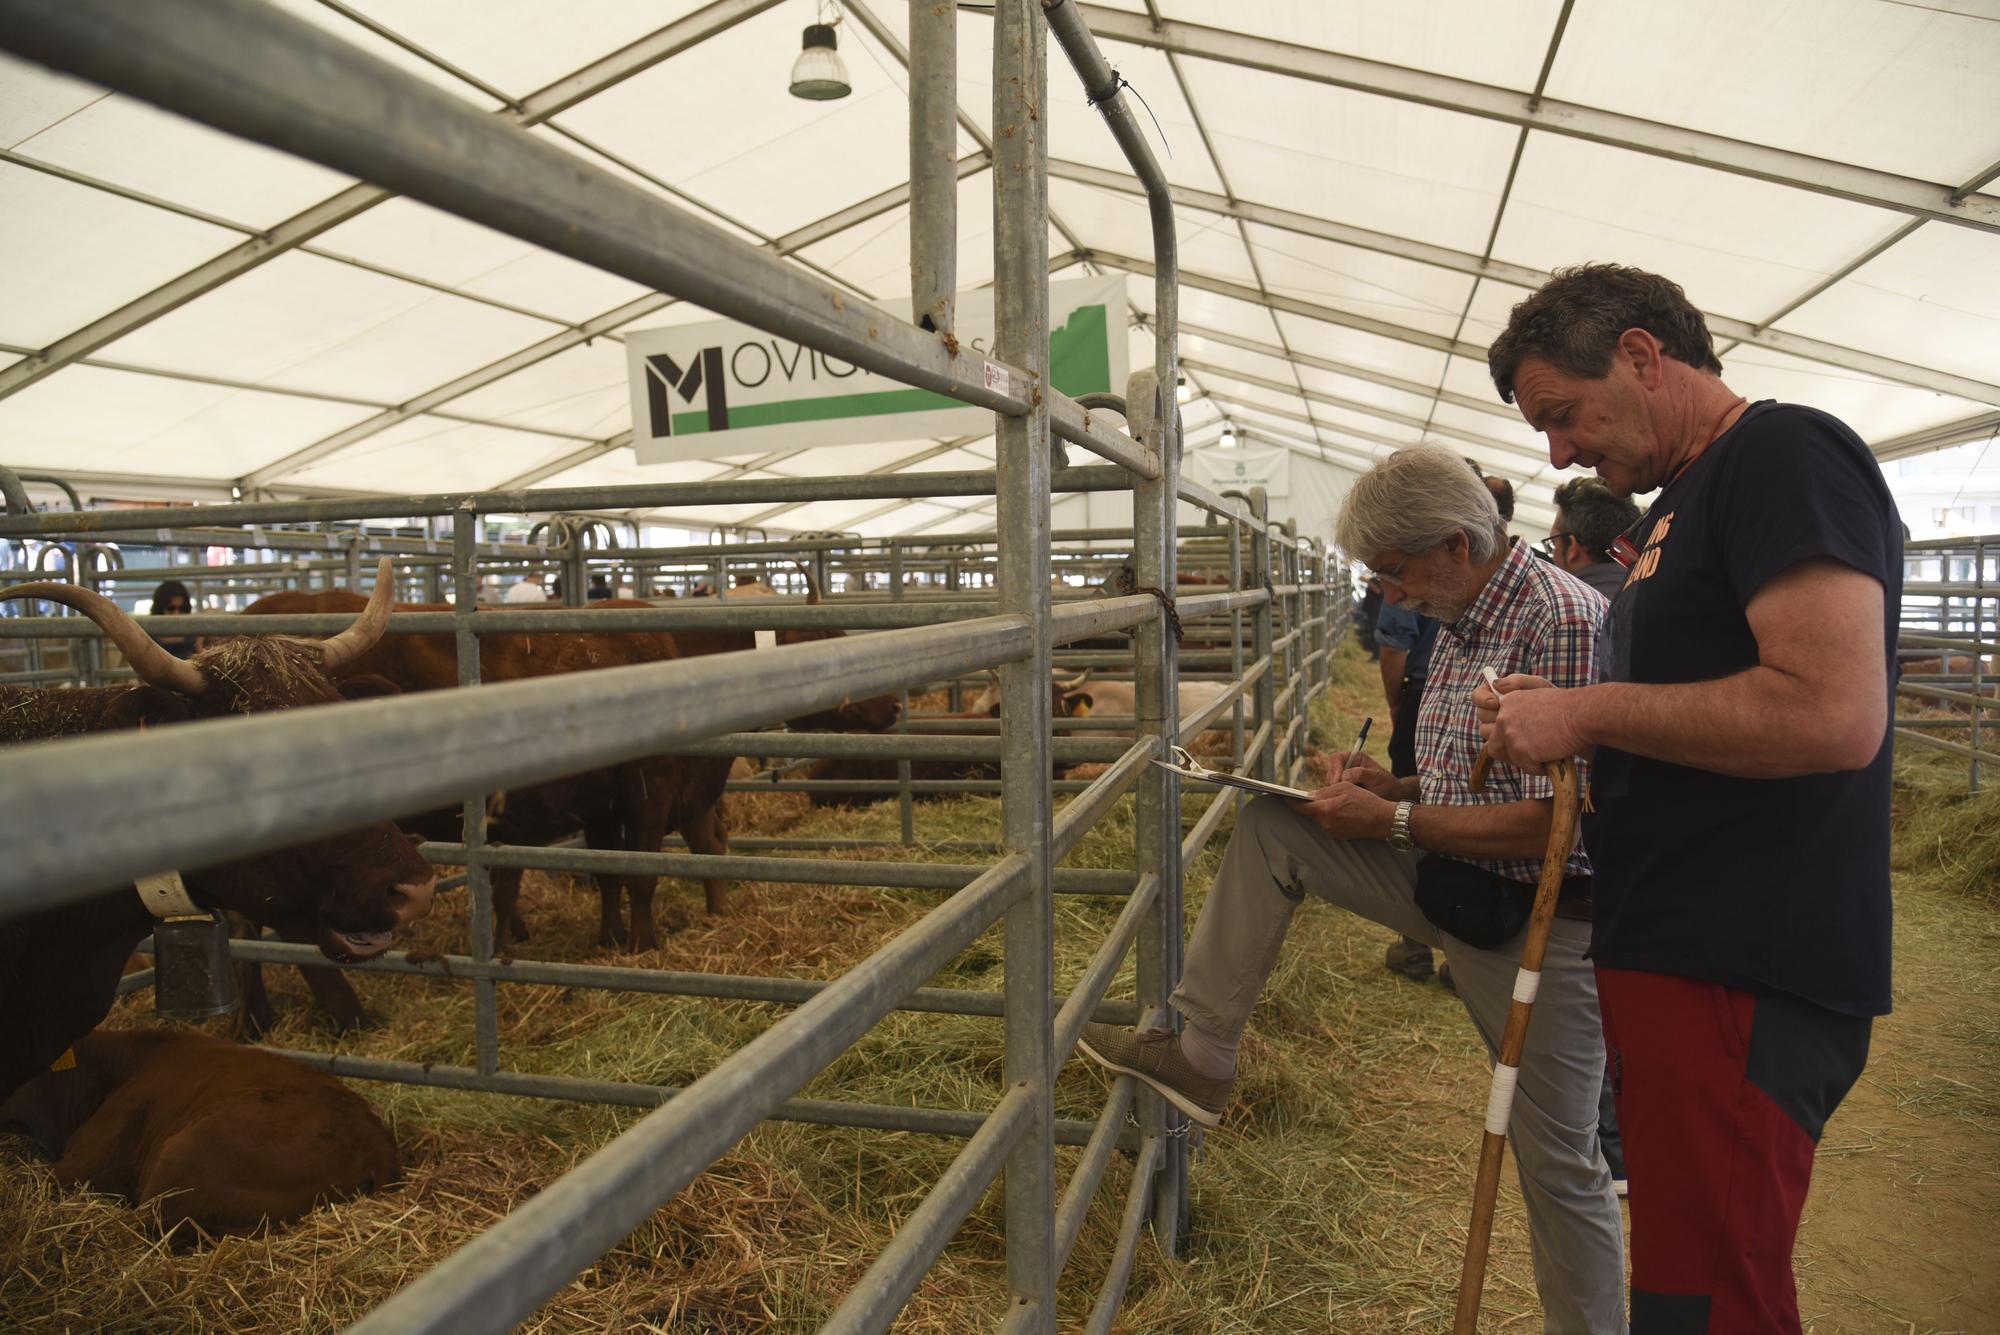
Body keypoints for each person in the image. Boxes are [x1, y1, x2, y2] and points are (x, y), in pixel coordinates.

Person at [1078, 446, 1624, 1334]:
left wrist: (1396, 825)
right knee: (1276, 826)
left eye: (1397, 572)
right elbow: (1465, 778)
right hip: (1453, 879)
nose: (1392, 596)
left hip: (1539, 919)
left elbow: (1554, 821)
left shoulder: (1557, 614)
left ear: (1455, 544)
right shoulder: (1459, 609)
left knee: (1557, 1160)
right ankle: (1204, 1052)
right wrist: (1389, 788)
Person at [1477, 263, 1897, 1333]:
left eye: (1561, 416)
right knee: (1682, 1277)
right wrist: (1579, 713)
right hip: (1683, 950)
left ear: (1639, 355)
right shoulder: (1683, 502)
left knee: (1713, 1298)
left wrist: (1587, 716)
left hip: (1740, 958)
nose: (1559, 453)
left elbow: (1830, 714)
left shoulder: (1782, 454)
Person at [1544, 477, 1641, 602]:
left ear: (1572, 548)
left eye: (1553, 543)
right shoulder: (1654, 597)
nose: (1552, 554)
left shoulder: (1562, 608)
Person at [148, 579, 199, 659]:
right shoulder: (149, 635)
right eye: (170, 608)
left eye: (182, 608)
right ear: (160, 609)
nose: (176, 613)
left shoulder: (195, 634)